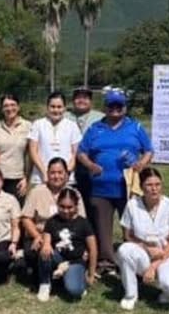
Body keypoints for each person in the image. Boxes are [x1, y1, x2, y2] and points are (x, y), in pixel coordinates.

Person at [77, 89, 153, 274]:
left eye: (119, 105)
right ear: (105, 107)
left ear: (125, 107)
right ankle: (106, 262)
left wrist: (141, 164)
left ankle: (134, 259)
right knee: (102, 227)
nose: (115, 109)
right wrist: (90, 165)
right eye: (111, 105)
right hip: (101, 188)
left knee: (133, 225)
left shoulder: (135, 127)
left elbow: (149, 150)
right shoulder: (95, 128)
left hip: (129, 188)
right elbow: (81, 152)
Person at [117, 168, 169, 310]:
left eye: (157, 184)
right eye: (149, 185)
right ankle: (130, 295)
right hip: (144, 251)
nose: (154, 189)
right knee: (124, 250)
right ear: (141, 187)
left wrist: (153, 266)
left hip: (168, 253)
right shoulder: (132, 205)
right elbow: (127, 235)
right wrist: (146, 247)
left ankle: (166, 295)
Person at [20, 158, 86, 281]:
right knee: (33, 251)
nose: (56, 176)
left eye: (60, 172)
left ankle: (66, 268)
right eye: (53, 173)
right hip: (40, 235)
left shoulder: (74, 193)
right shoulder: (37, 191)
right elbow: (26, 218)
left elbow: (81, 221)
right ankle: (44, 278)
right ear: (47, 173)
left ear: (67, 174)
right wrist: (38, 236)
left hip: (65, 237)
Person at [37, 188, 97, 302]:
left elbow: (93, 249)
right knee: (44, 250)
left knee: (75, 291)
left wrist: (91, 273)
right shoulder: (52, 221)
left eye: (70, 207)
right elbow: (46, 239)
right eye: (62, 206)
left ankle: (75, 276)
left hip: (76, 261)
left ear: (76, 206)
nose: (65, 211)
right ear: (57, 204)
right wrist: (46, 244)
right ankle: (45, 283)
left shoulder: (84, 223)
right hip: (57, 258)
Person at [65, 87, 103, 223]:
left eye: (85, 98)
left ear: (91, 101)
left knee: (91, 202)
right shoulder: (65, 116)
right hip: (70, 164)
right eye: (78, 98)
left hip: (91, 164)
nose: (81, 100)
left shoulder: (100, 117)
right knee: (70, 199)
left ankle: (92, 230)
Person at [28, 92, 82, 187]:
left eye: (59, 107)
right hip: (41, 178)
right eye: (52, 107)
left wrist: (66, 173)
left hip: (66, 180)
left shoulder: (72, 126)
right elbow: (33, 151)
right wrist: (44, 172)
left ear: (64, 108)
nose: (56, 110)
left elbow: (75, 154)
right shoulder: (38, 124)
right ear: (47, 107)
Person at [0, 94, 31, 200]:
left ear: (18, 107)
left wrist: (26, 178)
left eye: (13, 105)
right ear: (2, 109)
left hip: (18, 179)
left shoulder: (28, 126)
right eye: (6, 106)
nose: (9, 108)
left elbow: (30, 156)